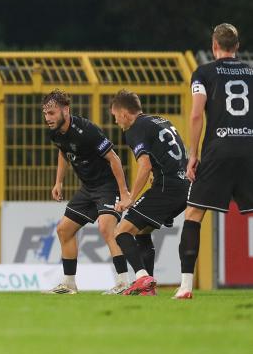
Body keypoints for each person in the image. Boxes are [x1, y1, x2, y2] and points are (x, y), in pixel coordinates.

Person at [177, 23, 253, 299]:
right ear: (237, 47)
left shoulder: (204, 73)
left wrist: (193, 155)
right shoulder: (251, 72)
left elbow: (197, 114)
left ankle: (186, 286)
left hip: (218, 150)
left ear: (214, 46)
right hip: (249, 149)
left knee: (194, 214)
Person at [42, 89, 132, 295]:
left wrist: (124, 192)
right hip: (88, 188)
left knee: (107, 229)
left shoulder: (88, 130)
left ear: (66, 110)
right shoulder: (54, 132)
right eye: (46, 114)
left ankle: (124, 283)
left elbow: (114, 159)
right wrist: (58, 182)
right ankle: (69, 284)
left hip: (107, 186)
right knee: (64, 230)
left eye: (52, 113)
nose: (48, 118)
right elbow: (63, 153)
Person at [110, 90, 189, 296]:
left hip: (167, 188)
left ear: (125, 113)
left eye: (116, 116)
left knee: (121, 232)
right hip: (184, 185)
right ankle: (148, 289)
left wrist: (130, 197)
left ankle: (142, 277)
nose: (116, 121)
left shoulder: (135, 129)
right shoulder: (160, 120)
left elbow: (144, 166)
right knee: (143, 232)